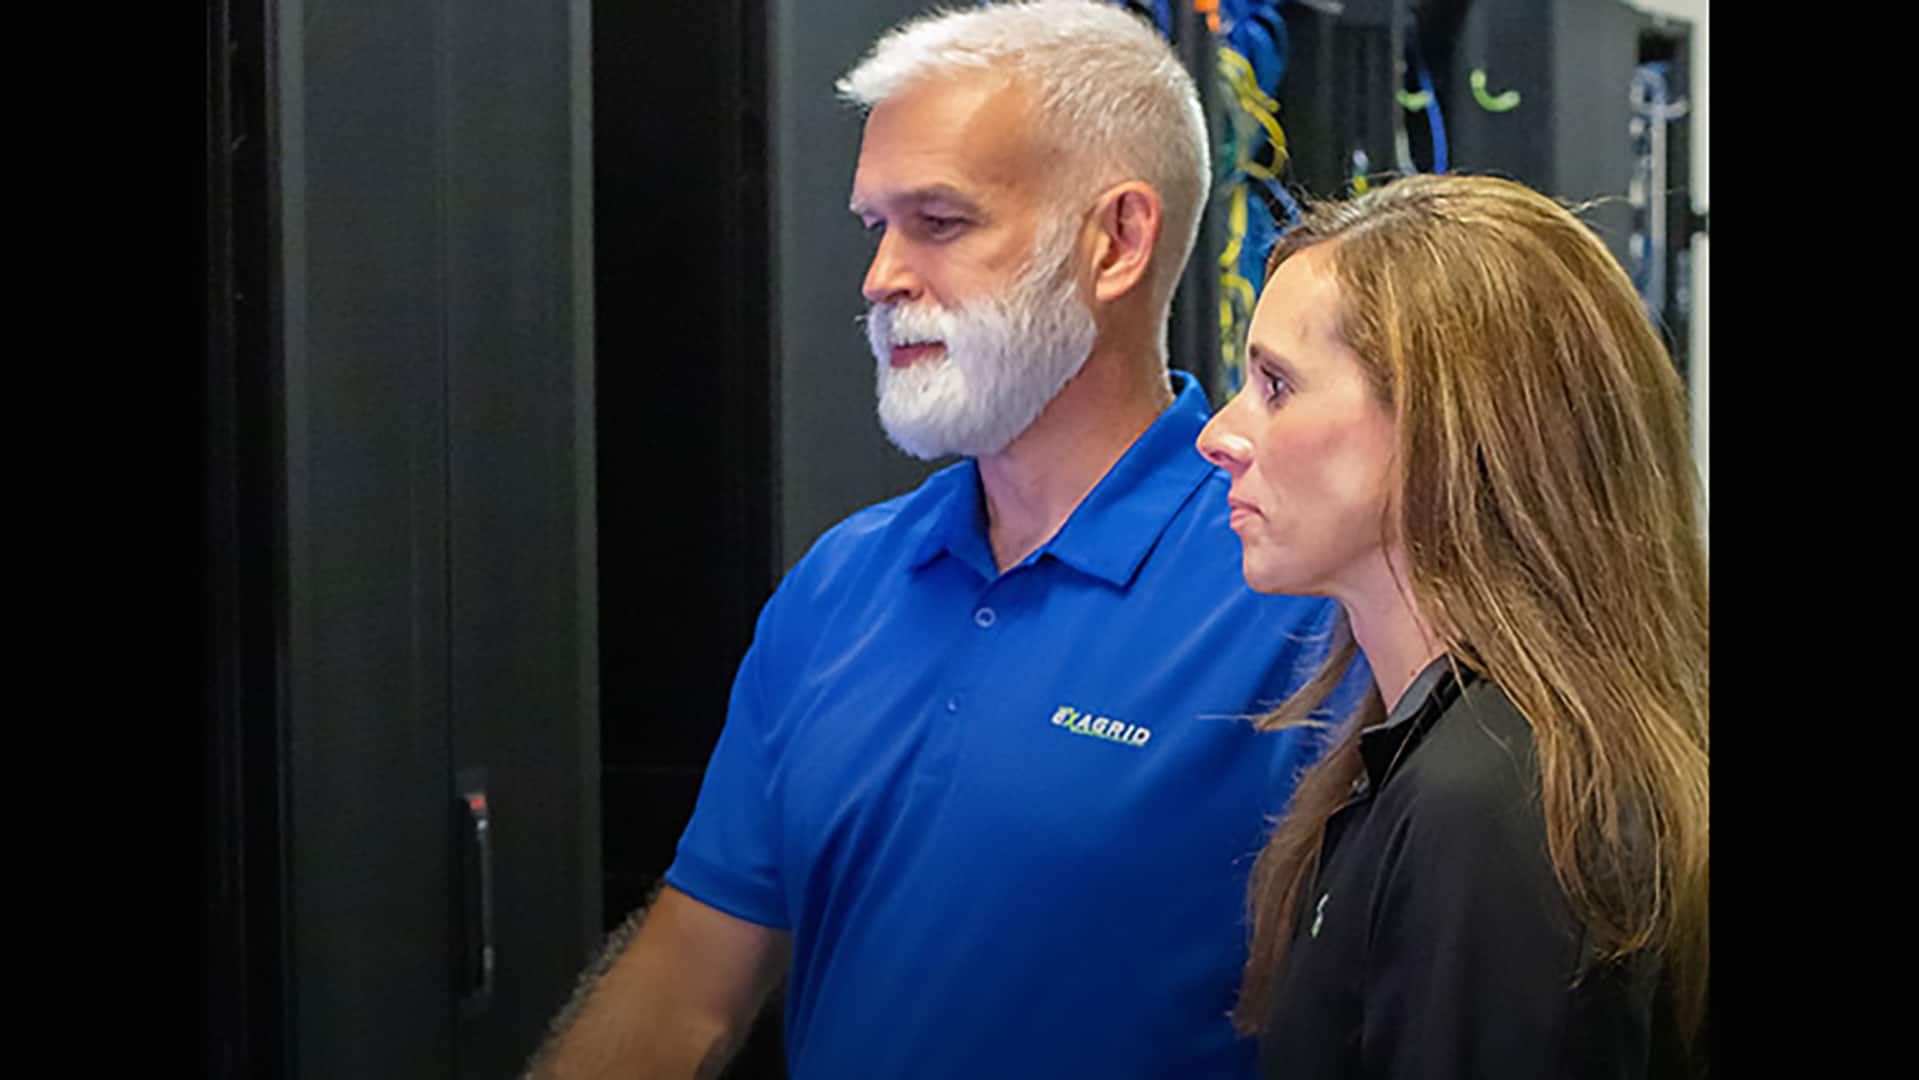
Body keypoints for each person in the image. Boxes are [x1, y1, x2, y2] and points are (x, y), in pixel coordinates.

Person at [527, 3, 1340, 1078]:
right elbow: (685, 989)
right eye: (876, 226)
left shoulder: (1295, 593)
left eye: (939, 223)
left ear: (1115, 241)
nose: (881, 278)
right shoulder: (840, 587)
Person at [1195, 173, 1710, 1079]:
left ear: (1446, 428)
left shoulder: (1492, 801)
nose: (1219, 436)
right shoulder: (1465, 760)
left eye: (1276, 385)